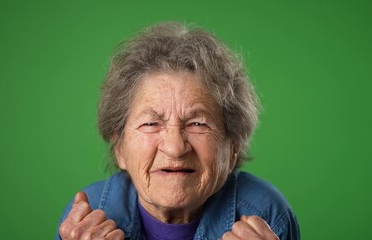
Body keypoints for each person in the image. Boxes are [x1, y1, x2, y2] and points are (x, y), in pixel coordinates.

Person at [55, 22, 300, 240]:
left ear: (233, 148)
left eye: (198, 124)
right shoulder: (85, 222)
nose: (175, 147)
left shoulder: (267, 215)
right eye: (151, 124)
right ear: (119, 149)